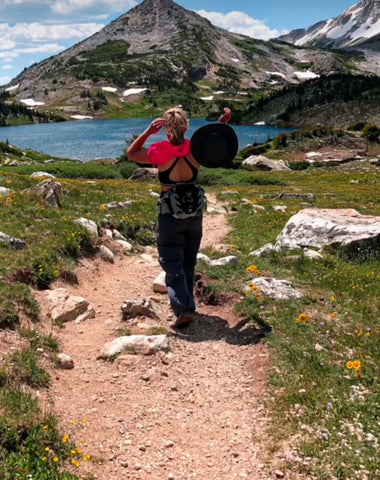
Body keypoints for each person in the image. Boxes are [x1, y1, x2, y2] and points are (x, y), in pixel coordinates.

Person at [126, 106, 232, 328]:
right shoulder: (195, 149)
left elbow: (131, 154)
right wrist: (220, 123)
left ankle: (183, 309)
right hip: (194, 213)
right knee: (188, 260)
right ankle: (187, 304)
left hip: (170, 213)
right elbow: (213, 145)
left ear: (165, 129)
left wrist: (146, 133)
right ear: (186, 126)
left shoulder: (158, 150)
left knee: (171, 260)